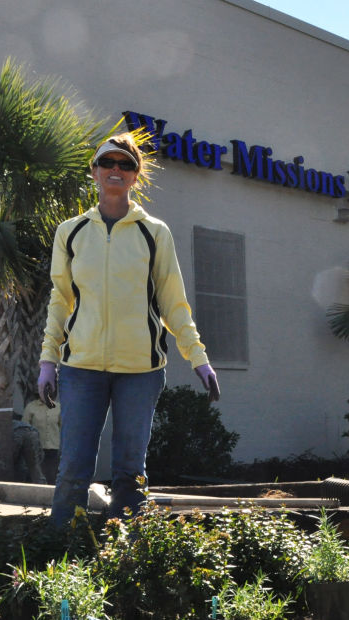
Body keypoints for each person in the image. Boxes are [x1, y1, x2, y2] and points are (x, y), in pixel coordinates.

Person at [38, 134, 220, 528]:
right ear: (95, 172)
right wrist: (48, 361)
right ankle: (60, 554)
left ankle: (129, 561)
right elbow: (61, 300)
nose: (116, 171)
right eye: (108, 163)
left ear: (136, 176)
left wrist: (198, 359)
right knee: (73, 470)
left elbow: (174, 303)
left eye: (125, 165)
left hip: (141, 371)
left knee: (130, 474)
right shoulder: (70, 232)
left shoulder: (154, 233)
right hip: (80, 368)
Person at [21, 391, 62, 484]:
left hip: (53, 448)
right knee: (36, 476)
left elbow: (63, 427)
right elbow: (25, 427)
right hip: (35, 449)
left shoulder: (58, 407)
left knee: (52, 476)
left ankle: (50, 496)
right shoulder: (31, 407)